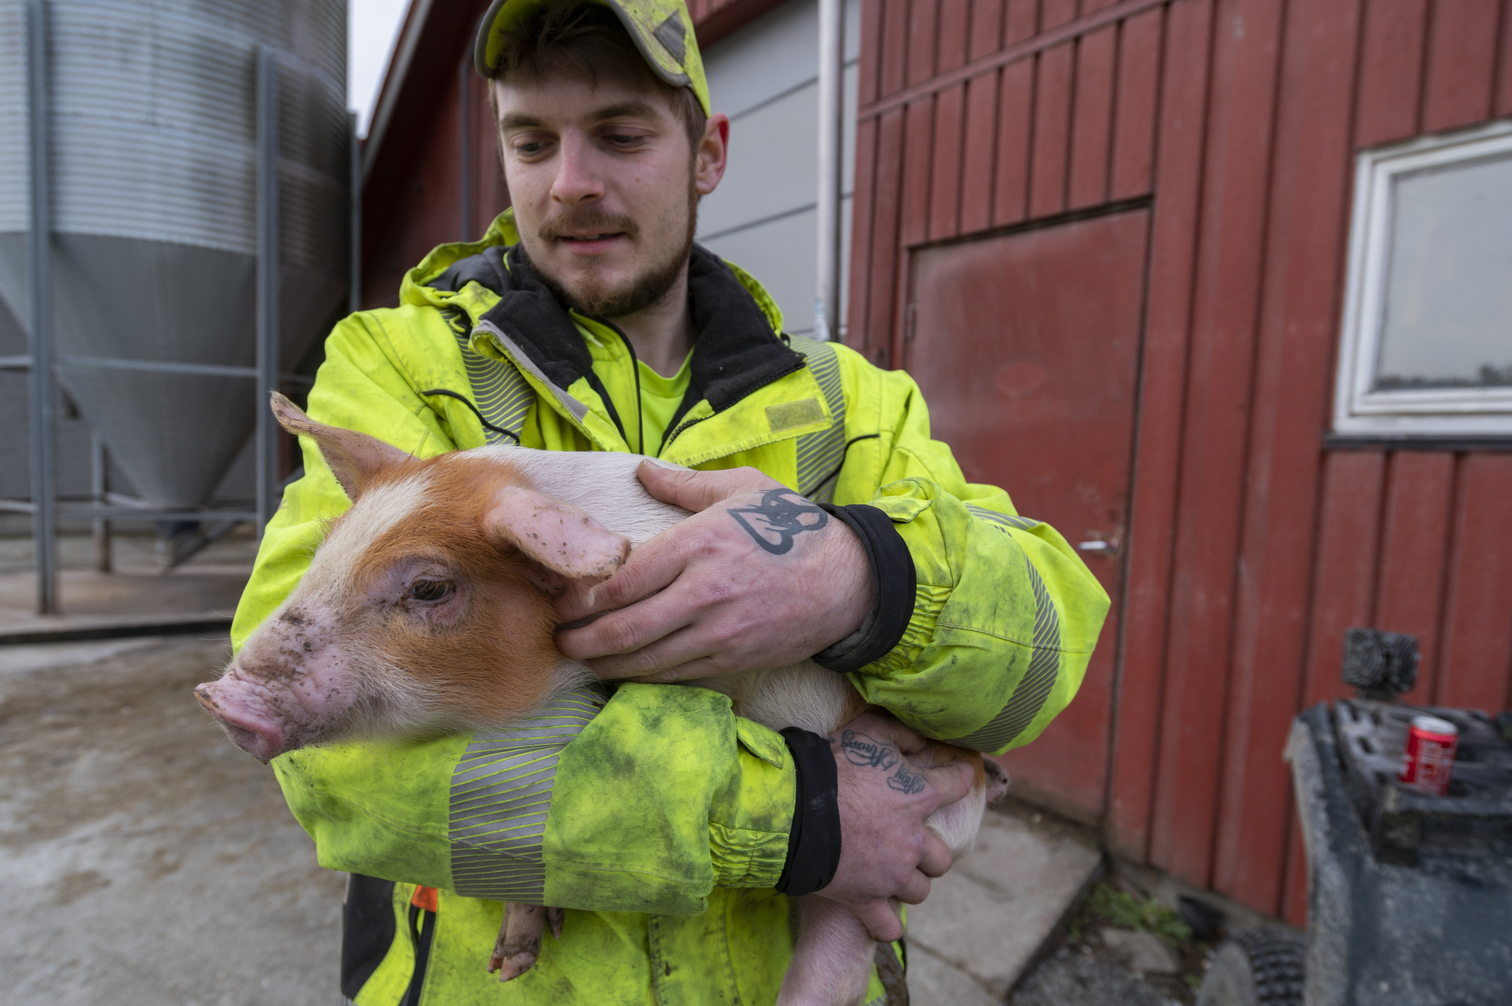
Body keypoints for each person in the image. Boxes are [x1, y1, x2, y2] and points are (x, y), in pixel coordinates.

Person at [230, 0, 1109, 1002]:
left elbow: (1046, 643)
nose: (571, 183)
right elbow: (321, 752)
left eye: (620, 134)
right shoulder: (399, 368)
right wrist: (809, 821)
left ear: (707, 154)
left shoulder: (844, 400)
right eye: (532, 140)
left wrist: (863, 576)